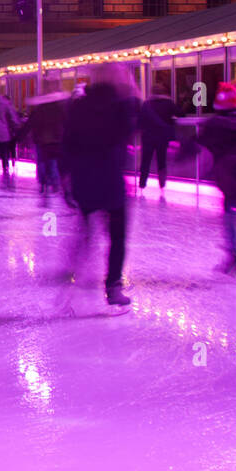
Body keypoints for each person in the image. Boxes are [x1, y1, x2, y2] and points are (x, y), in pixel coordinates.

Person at [62, 63, 139, 308]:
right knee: (117, 236)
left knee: (85, 229)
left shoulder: (78, 106)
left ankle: (72, 273)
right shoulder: (121, 106)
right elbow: (128, 130)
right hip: (110, 178)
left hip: (84, 177)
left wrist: (66, 175)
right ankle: (113, 286)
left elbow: (68, 142)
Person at [196, 81, 236, 275]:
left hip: (231, 181)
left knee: (231, 217)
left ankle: (233, 257)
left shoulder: (214, 125)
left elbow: (196, 144)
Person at [19, 90, 69, 204]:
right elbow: (66, 124)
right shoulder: (59, 110)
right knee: (53, 161)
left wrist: (20, 136)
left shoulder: (38, 111)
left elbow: (29, 125)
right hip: (55, 140)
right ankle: (54, 183)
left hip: (40, 140)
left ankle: (43, 183)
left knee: (42, 162)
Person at [138, 84, 178, 191]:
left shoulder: (146, 104)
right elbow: (180, 113)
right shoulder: (169, 103)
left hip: (148, 137)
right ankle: (162, 184)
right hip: (162, 136)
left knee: (145, 160)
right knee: (161, 160)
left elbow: (140, 120)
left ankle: (142, 184)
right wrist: (171, 120)